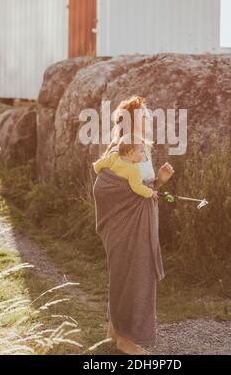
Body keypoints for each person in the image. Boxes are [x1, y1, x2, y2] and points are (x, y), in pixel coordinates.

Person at [92, 95, 174, 355]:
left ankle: (116, 330)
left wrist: (159, 181)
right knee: (128, 274)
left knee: (133, 274)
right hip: (122, 224)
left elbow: (142, 187)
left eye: (148, 115)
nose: (148, 119)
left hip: (143, 221)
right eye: (143, 115)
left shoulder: (144, 148)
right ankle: (125, 338)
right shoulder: (120, 148)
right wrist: (132, 199)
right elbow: (104, 186)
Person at [92, 134, 159, 200]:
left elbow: (98, 165)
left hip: (110, 195)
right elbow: (137, 187)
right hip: (122, 198)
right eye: (141, 151)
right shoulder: (134, 169)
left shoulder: (114, 156)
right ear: (131, 153)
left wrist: (102, 176)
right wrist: (151, 193)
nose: (143, 154)